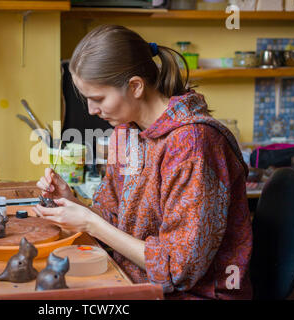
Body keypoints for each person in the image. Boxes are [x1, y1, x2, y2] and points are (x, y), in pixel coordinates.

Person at [34, 25, 253, 300]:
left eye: (98, 98)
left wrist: (90, 223)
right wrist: (74, 205)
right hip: (134, 281)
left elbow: (178, 271)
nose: (91, 110)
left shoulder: (193, 144)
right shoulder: (127, 132)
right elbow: (113, 219)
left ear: (136, 86)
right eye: (86, 99)